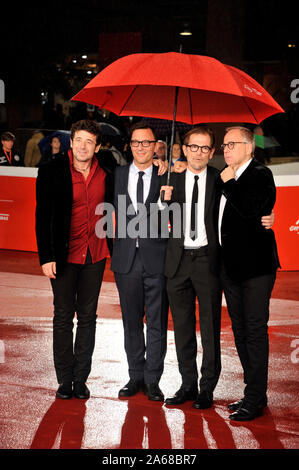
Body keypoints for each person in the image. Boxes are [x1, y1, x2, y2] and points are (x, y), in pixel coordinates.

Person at [160, 127, 274, 410]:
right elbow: (156, 222)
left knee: (212, 328)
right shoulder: (169, 179)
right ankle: (188, 384)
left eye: (206, 148)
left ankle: (207, 388)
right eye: (193, 147)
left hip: (210, 262)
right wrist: (163, 204)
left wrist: (269, 214)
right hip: (178, 262)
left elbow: (250, 205)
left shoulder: (221, 178)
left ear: (211, 153)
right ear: (184, 149)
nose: (199, 152)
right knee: (183, 328)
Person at [35, 119, 114, 400]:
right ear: (71, 141)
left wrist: (165, 166)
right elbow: (42, 216)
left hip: (95, 253)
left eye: (89, 141)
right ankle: (64, 380)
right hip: (63, 255)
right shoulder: (51, 170)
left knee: (88, 318)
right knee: (63, 317)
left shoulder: (107, 170)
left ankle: (80, 379)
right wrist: (46, 256)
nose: (83, 146)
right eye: (78, 139)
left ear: (97, 146)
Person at [218, 126, 280, 421]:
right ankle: (254, 392)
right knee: (240, 331)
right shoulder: (225, 175)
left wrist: (228, 184)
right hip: (230, 269)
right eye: (224, 144)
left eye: (232, 144)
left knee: (254, 331)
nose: (226, 149)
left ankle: (254, 398)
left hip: (256, 268)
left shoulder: (260, 174)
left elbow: (253, 210)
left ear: (249, 147)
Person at [111, 122, 169, 402]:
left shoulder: (167, 175)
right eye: (136, 142)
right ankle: (135, 376)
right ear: (129, 145)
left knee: (156, 322)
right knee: (130, 321)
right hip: (126, 260)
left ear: (156, 145)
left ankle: (152, 380)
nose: (141, 147)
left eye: (146, 142)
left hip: (157, 259)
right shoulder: (118, 174)